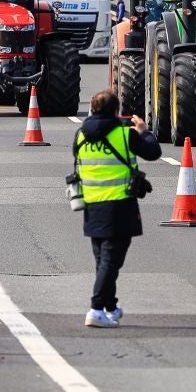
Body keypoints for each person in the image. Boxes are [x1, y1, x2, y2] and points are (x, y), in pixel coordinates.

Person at [73, 89, 160, 328]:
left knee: (104, 261)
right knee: (111, 262)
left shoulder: (81, 136)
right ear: (115, 111)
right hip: (119, 207)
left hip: (91, 207)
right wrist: (144, 132)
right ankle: (95, 309)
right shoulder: (123, 135)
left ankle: (110, 307)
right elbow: (153, 152)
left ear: (92, 108)